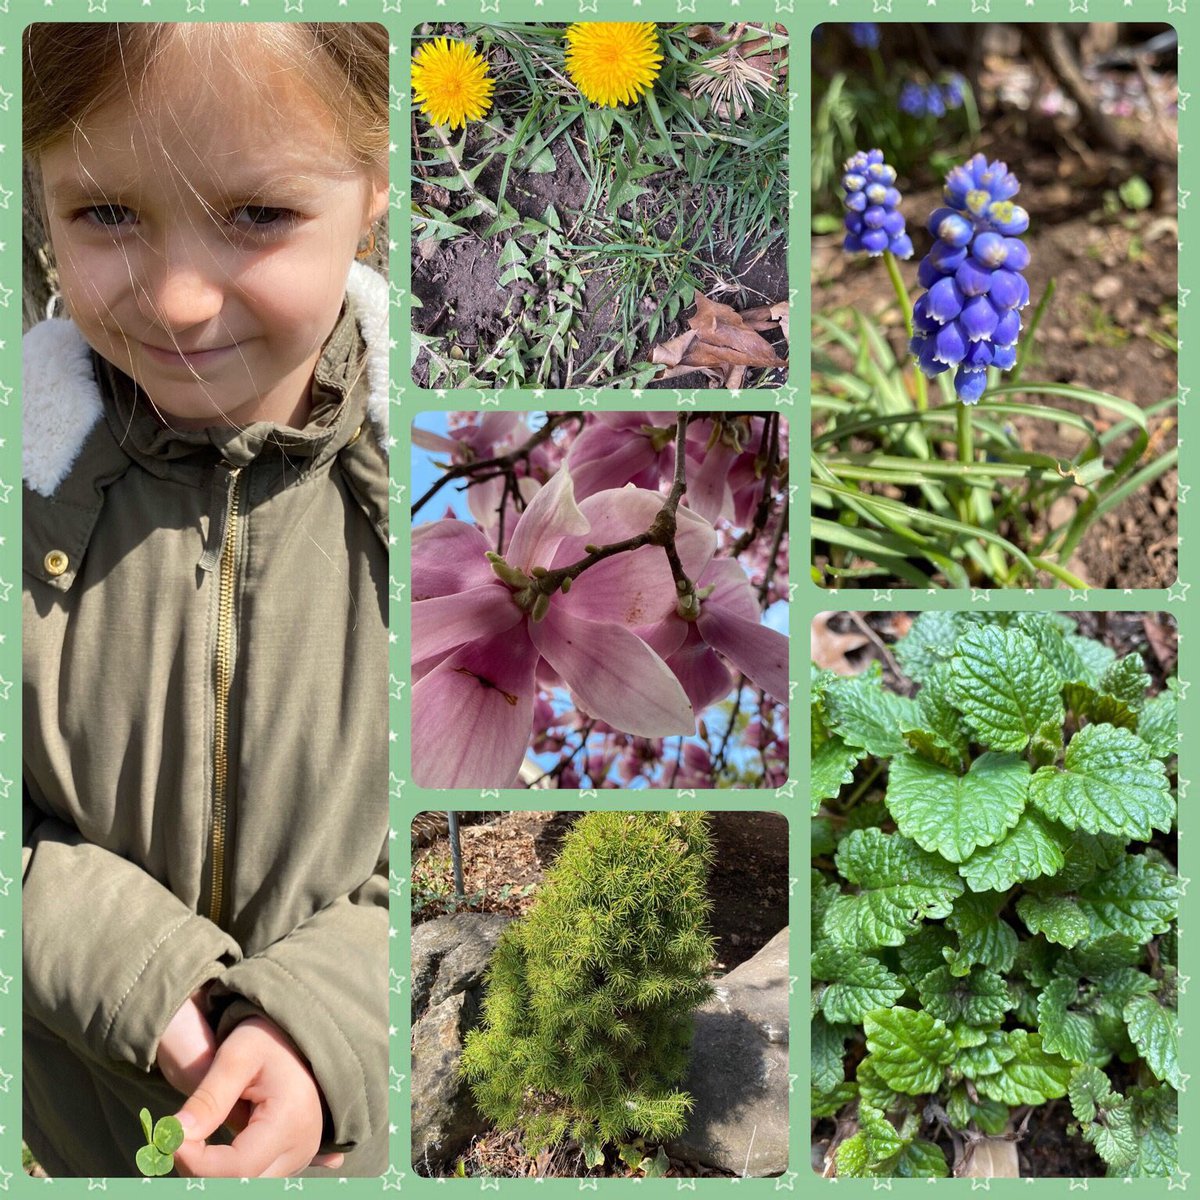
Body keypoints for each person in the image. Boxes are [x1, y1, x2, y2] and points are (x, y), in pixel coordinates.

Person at [21, 22, 390, 1178]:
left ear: (374, 183)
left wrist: (336, 1019)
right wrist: (127, 969)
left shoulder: (462, 493)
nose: (179, 303)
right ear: (38, 193)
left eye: (258, 215)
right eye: (107, 214)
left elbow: (497, 834)